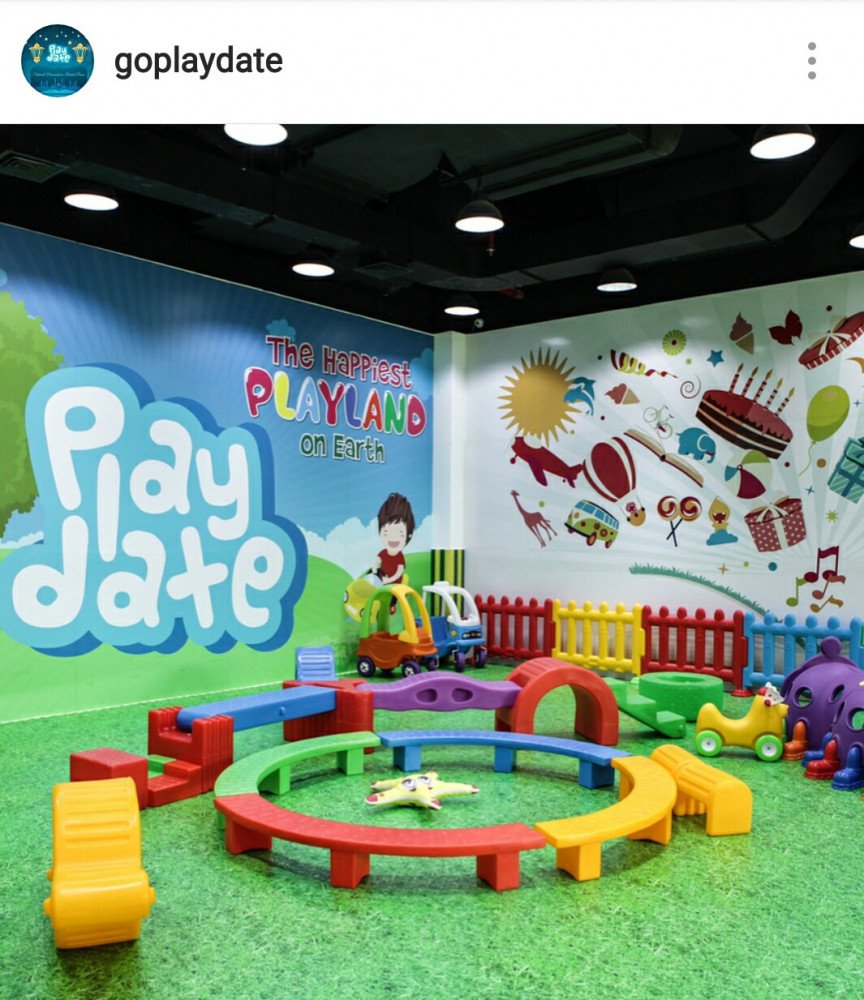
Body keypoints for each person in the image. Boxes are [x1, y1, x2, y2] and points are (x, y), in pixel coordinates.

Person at [374, 492, 415, 586]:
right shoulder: (383, 553)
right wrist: (374, 568)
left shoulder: (399, 556)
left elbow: (399, 573)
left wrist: (389, 580)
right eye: (386, 532)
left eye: (400, 533)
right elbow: (377, 561)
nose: (393, 537)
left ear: (408, 535)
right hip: (383, 582)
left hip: (395, 585)